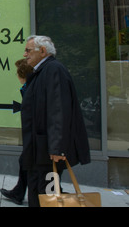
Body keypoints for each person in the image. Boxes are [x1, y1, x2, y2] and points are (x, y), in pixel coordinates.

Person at [20, 35, 90, 207]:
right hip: (38, 149)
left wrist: (57, 147)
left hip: (46, 152)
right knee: (37, 192)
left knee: (46, 195)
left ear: (42, 51)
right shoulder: (41, 72)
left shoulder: (53, 70)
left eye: (28, 50)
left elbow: (58, 110)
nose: (25, 54)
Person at [0, 59, 33, 205]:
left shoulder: (29, 88)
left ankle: (19, 193)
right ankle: (18, 193)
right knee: (25, 162)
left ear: (22, 75)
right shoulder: (28, 86)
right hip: (31, 133)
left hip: (34, 133)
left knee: (26, 162)